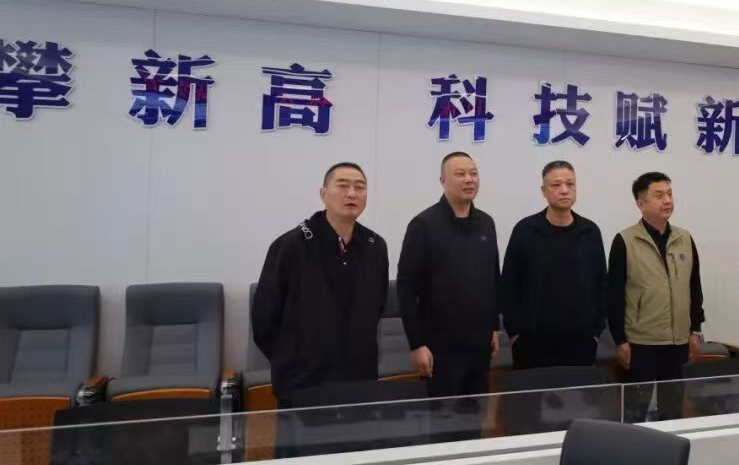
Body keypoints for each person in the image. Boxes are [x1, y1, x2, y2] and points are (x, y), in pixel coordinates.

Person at [252, 162, 389, 408]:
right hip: (303, 383)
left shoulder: (375, 246)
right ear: (323, 194)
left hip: (359, 380)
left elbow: (377, 306)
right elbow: (264, 319)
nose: (352, 193)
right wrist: (290, 359)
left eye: (360, 187)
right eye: (343, 186)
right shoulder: (291, 246)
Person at [397, 152, 500, 399]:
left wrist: (494, 327)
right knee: (443, 418)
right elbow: (406, 287)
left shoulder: (486, 223)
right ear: (442, 181)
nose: (469, 179)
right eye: (460, 174)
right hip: (439, 348)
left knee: (475, 414)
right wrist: (417, 344)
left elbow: (492, 278)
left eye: (473, 173)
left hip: (479, 346)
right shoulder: (423, 224)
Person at [608, 172, 704, 422]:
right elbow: (614, 294)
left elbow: (694, 286)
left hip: (678, 342)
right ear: (641, 203)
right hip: (641, 342)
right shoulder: (625, 241)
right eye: (659, 195)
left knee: (672, 411)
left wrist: (695, 328)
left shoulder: (684, 238)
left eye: (669, 194)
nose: (667, 200)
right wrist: (620, 339)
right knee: (635, 412)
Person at [501, 160, 606, 368]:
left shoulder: (590, 232)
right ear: (544, 191)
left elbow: (601, 283)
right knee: (532, 390)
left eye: (570, 184)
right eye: (556, 185)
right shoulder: (526, 230)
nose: (564, 190)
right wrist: (515, 334)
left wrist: (596, 331)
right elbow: (509, 284)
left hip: (581, 342)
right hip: (532, 343)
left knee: (580, 390)